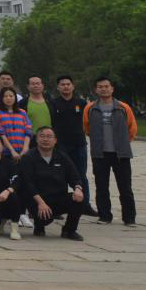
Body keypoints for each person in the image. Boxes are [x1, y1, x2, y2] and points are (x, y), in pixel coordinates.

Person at [83, 76, 137, 226]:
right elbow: (87, 127)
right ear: (96, 90)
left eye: (106, 86)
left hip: (121, 154)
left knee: (125, 187)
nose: (104, 89)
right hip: (100, 154)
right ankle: (105, 216)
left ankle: (129, 218)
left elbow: (132, 128)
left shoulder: (123, 107)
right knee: (101, 187)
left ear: (112, 89)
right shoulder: (90, 108)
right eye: (100, 87)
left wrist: (123, 142)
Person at [18, 126, 85, 240]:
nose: (45, 139)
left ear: (55, 140)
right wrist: (41, 203)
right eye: (42, 136)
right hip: (37, 200)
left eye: (49, 136)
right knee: (45, 218)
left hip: (58, 198)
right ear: (36, 139)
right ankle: (39, 226)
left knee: (79, 199)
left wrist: (78, 188)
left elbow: (75, 177)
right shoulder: (28, 157)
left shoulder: (62, 156)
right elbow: (28, 183)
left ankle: (69, 230)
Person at [48, 74, 94, 215]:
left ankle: (85, 205)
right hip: (60, 145)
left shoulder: (82, 103)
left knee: (81, 175)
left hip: (79, 144)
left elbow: (88, 122)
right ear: (58, 87)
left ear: (73, 86)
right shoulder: (53, 104)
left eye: (68, 84)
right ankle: (59, 207)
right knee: (59, 176)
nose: (66, 87)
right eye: (62, 84)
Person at [0, 88, 33, 162]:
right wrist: (12, 151)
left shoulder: (22, 112)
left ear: (15, 97)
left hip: (23, 151)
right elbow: (0, 133)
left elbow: (28, 130)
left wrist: (25, 148)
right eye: (5, 96)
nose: (8, 98)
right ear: (1, 98)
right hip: (6, 152)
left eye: (11, 96)